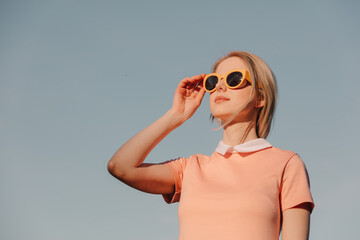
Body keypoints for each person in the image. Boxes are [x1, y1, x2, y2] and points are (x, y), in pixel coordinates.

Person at [107, 51, 315, 240]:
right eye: (213, 81)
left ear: (259, 98)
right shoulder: (190, 168)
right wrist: (175, 115)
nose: (220, 87)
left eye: (234, 79)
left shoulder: (286, 163)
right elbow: (121, 167)